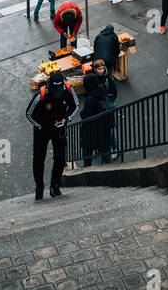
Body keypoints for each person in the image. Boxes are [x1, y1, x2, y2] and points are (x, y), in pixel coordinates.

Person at [25, 70, 78, 199]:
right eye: (55, 92)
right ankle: (39, 187)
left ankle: (55, 186)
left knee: (60, 159)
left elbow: (75, 105)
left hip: (59, 129)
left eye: (59, 91)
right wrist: (42, 127)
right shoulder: (40, 96)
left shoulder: (68, 90)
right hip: (41, 131)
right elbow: (29, 114)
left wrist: (66, 118)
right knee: (38, 159)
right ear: (49, 87)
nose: (57, 95)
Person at [79, 73, 110, 167]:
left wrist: (82, 113)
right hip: (103, 127)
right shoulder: (101, 91)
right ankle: (110, 166)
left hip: (91, 130)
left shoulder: (90, 99)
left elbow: (85, 115)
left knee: (87, 152)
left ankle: (87, 169)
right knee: (104, 148)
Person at [92, 56, 118, 155]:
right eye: (99, 69)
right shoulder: (94, 79)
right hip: (99, 107)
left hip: (107, 106)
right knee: (100, 127)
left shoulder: (109, 78)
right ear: (95, 69)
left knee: (109, 128)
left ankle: (114, 148)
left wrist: (110, 102)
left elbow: (114, 92)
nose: (101, 70)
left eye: (103, 68)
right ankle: (100, 146)